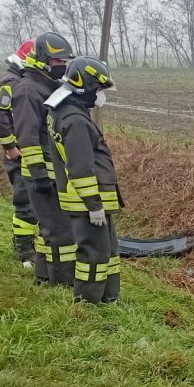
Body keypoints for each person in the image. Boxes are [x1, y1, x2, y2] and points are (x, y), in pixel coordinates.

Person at [45, 56, 121, 304]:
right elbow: (80, 167)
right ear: (84, 85)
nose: (99, 95)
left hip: (86, 200)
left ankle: (109, 297)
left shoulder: (64, 111)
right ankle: (87, 301)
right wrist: (94, 205)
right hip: (87, 202)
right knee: (94, 253)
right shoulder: (76, 121)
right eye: (98, 89)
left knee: (107, 251)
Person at [12, 32, 76, 285]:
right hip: (42, 174)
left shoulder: (47, 86)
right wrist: (39, 173)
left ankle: (45, 275)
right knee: (58, 230)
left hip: (53, 172)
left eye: (65, 62)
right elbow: (27, 137)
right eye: (59, 61)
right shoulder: (29, 90)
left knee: (51, 229)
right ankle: (59, 280)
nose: (62, 66)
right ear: (44, 60)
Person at [0, 39, 37, 266]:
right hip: (19, 155)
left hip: (29, 152)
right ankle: (24, 253)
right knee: (25, 202)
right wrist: (11, 148)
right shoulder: (11, 83)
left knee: (34, 201)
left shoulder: (23, 82)